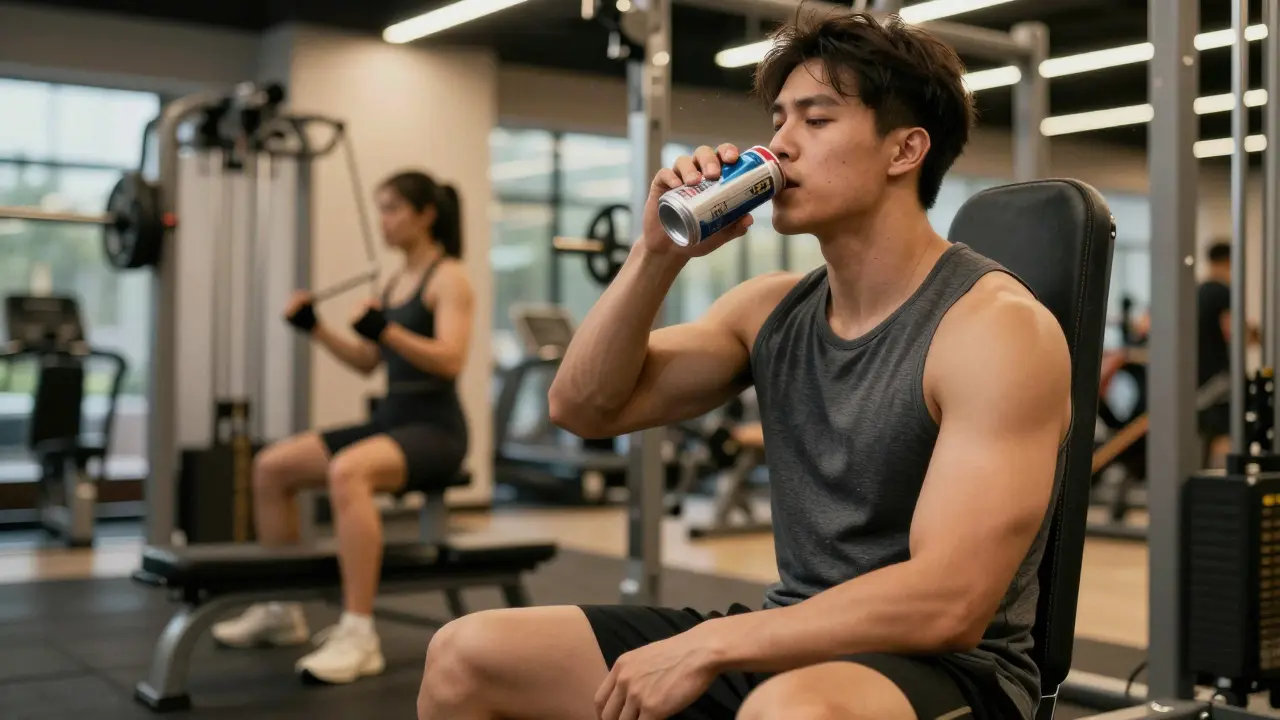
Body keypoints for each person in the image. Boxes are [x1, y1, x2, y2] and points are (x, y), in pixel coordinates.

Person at [417, 10, 1070, 720]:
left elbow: (949, 603)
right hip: (790, 639)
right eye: (778, 119)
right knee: (468, 654)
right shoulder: (768, 311)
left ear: (905, 150)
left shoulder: (995, 329)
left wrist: (713, 644)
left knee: (788, 713)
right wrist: (656, 254)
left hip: (952, 672)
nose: (779, 146)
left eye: (815, 121)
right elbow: (582, 407)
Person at [210, 170, 474, 685]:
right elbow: (366, 361)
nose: (384, 220)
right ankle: (282, 610)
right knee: (272, 467)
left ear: (427, 214)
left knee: (348, 472)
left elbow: (450, 360)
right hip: (391, 419)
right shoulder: (394, 280)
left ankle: (359, 633)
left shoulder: (449, 278)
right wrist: (317, 328)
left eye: (394, 208)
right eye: (380, 208)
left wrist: (388, 329)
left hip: (436, 430)